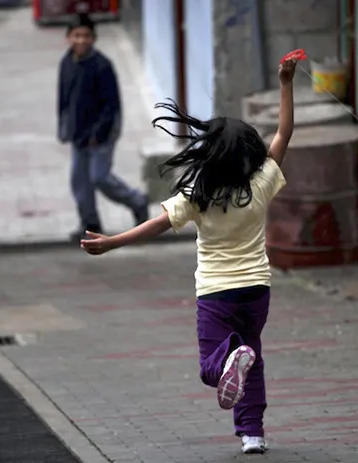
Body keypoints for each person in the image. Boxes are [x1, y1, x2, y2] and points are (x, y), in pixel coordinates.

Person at [80, 57, 298, 454]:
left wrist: (113, 242)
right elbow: (284, 132)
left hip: (216, 294)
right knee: (252, 360)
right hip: (257, 291)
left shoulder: (197, 195)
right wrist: (285, 82)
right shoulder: (261, 183)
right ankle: (252, 433)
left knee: (212, 366)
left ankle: (231, 356)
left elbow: (156, 224)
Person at [57, 13, 149, 242]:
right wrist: (63, 125)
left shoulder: (101, 66)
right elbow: (63, 97)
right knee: (79, 181)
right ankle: (90, 223)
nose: (81, 40)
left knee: (99, 176)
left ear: (94, 38)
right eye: (76, 35)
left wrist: (98, 133)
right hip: (79, 133)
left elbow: (111, 105)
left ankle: (137, 201)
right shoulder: (66, 63)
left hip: (102, 132)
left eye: (86, 36)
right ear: (68, 38)